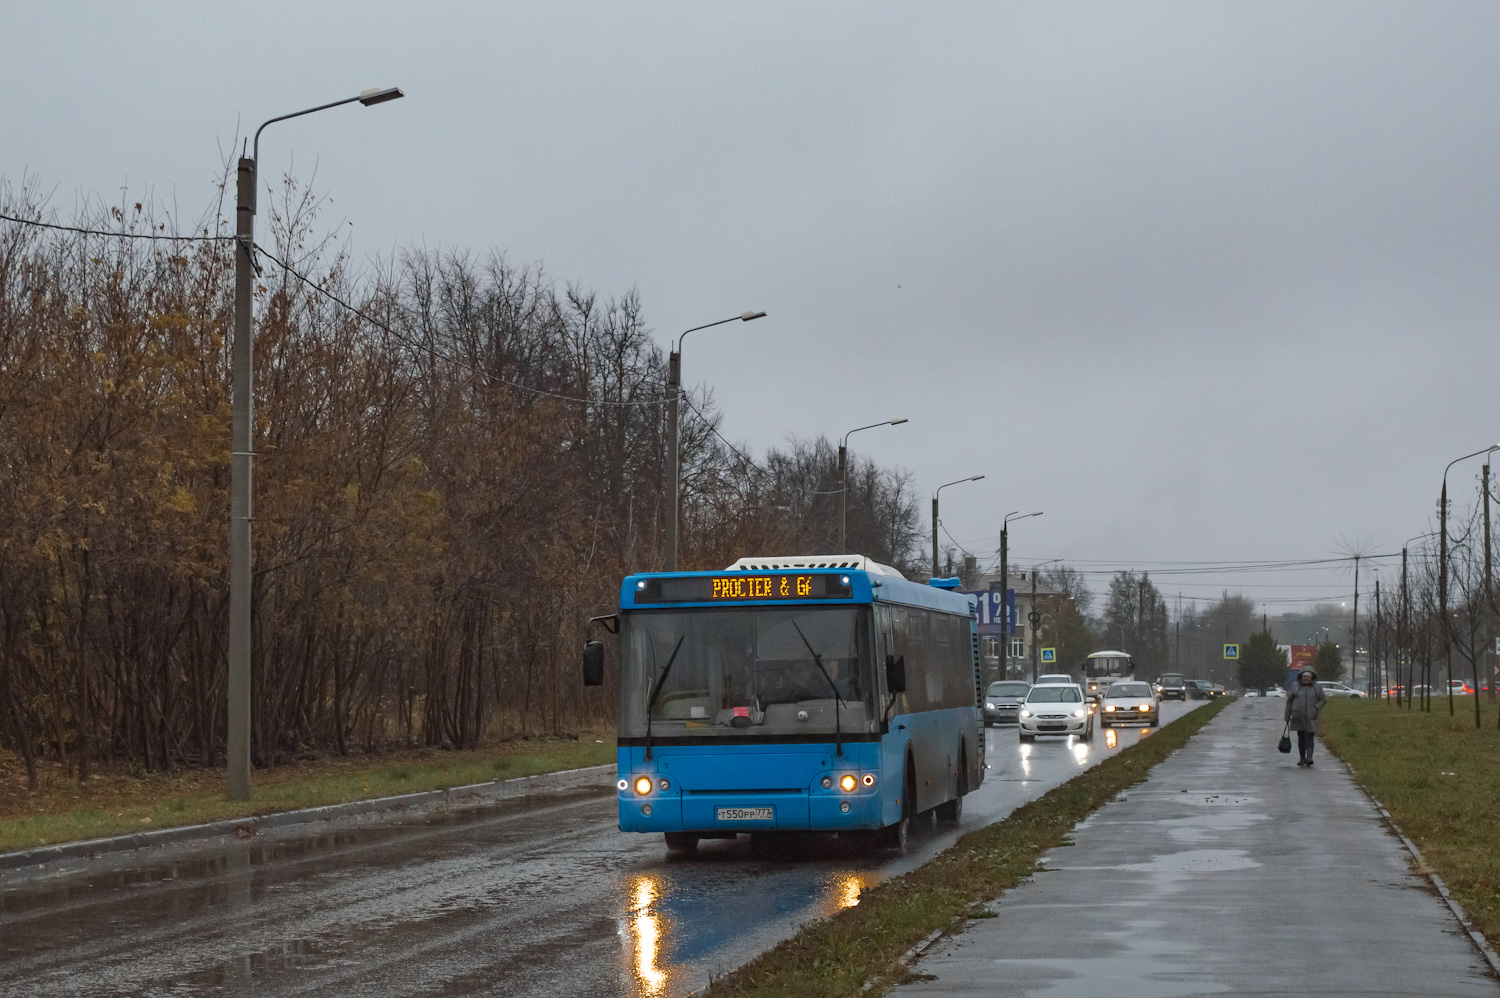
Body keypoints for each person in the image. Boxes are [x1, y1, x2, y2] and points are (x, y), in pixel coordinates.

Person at [1284, 669, 1327, 766]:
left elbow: (1323, 699)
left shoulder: (1317, 687)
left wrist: (1316, 707)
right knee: (1301, 737)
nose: (1306, 678)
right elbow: (1289, 701)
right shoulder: (1295, 686)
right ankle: (1302, 758)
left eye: (1308, 676)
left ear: (1311, 677)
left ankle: (1309, 758)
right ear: (1301, 677)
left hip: (1311, 716)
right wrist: (1287, 715)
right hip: (1298, 716)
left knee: (1310, 737)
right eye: (1304, 676)